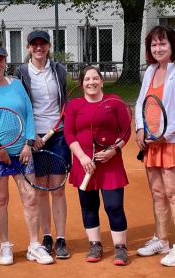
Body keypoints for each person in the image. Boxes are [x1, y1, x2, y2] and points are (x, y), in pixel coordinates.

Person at [0, 40, 54, 265]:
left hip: (23, 152)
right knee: (1, 199)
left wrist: (29, 143)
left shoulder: (17, 84)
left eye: (1, 60)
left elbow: (29, 113)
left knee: (30, 197)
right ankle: (5, 245)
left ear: (5, 62)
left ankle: (34, 245)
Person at [135, 25, 175, 267]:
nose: (158, 48)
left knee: (174, 194)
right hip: (151, 144)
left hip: (173, 142)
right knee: (158, 194)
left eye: (162, 43)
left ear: (172, 45)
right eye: (153, 44)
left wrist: (165, 132)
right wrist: (140, 128)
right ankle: (161, 240)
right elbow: (141, 101)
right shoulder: (151, 70)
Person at [64, 66, 132, 266]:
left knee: (114, 205)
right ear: (81, 83)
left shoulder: (114, 102)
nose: (91, 82)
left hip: (111, 163)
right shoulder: (74, 106)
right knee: (89, 205)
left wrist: (114, 149)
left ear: (102, 81)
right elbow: (70, 134)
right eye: (87, 79)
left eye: (95, 78)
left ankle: (120, 248)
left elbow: (125, 132)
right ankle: (95, 245)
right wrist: (83, 158)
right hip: (83, 163)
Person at [14, 30, 71, 259]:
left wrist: (61, 127)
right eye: (34, 44)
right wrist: (30, 137)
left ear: (49, 46)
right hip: (33, 138)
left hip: (57, 135)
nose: (39, 48)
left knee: (57, 189)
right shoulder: (21, 72)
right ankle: (46, 237)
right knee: (40, 190)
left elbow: (64, 102)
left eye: (43, 44)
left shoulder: (59, 70)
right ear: (28, 47)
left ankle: (61, 238)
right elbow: (21, 106)